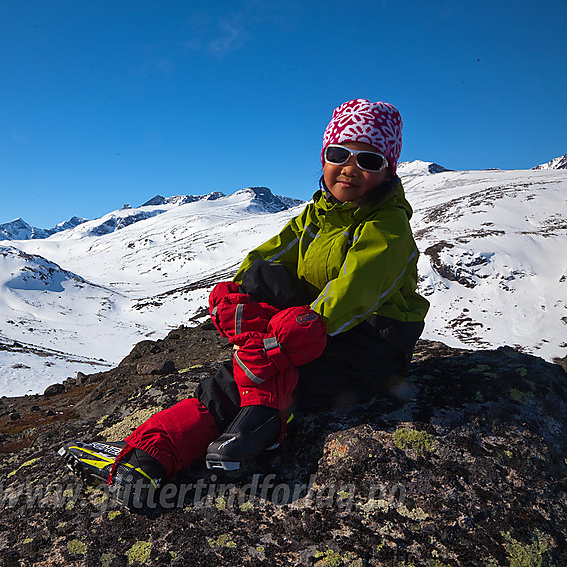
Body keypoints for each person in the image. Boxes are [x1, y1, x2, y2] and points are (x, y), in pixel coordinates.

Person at [60, 99, 430, 507]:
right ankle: (259, 415)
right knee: (261, 285)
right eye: (338, 154)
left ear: (388, 170)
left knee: (246, 372)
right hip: (317, 332)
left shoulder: (388, 226)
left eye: (369, 160)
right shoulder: (318, 215)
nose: (349, 168)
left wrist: (298, 330)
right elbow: (267, 260)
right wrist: (236, 297)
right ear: (323, 157)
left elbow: (357, 291)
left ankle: (160, 452)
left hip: (369, 346)